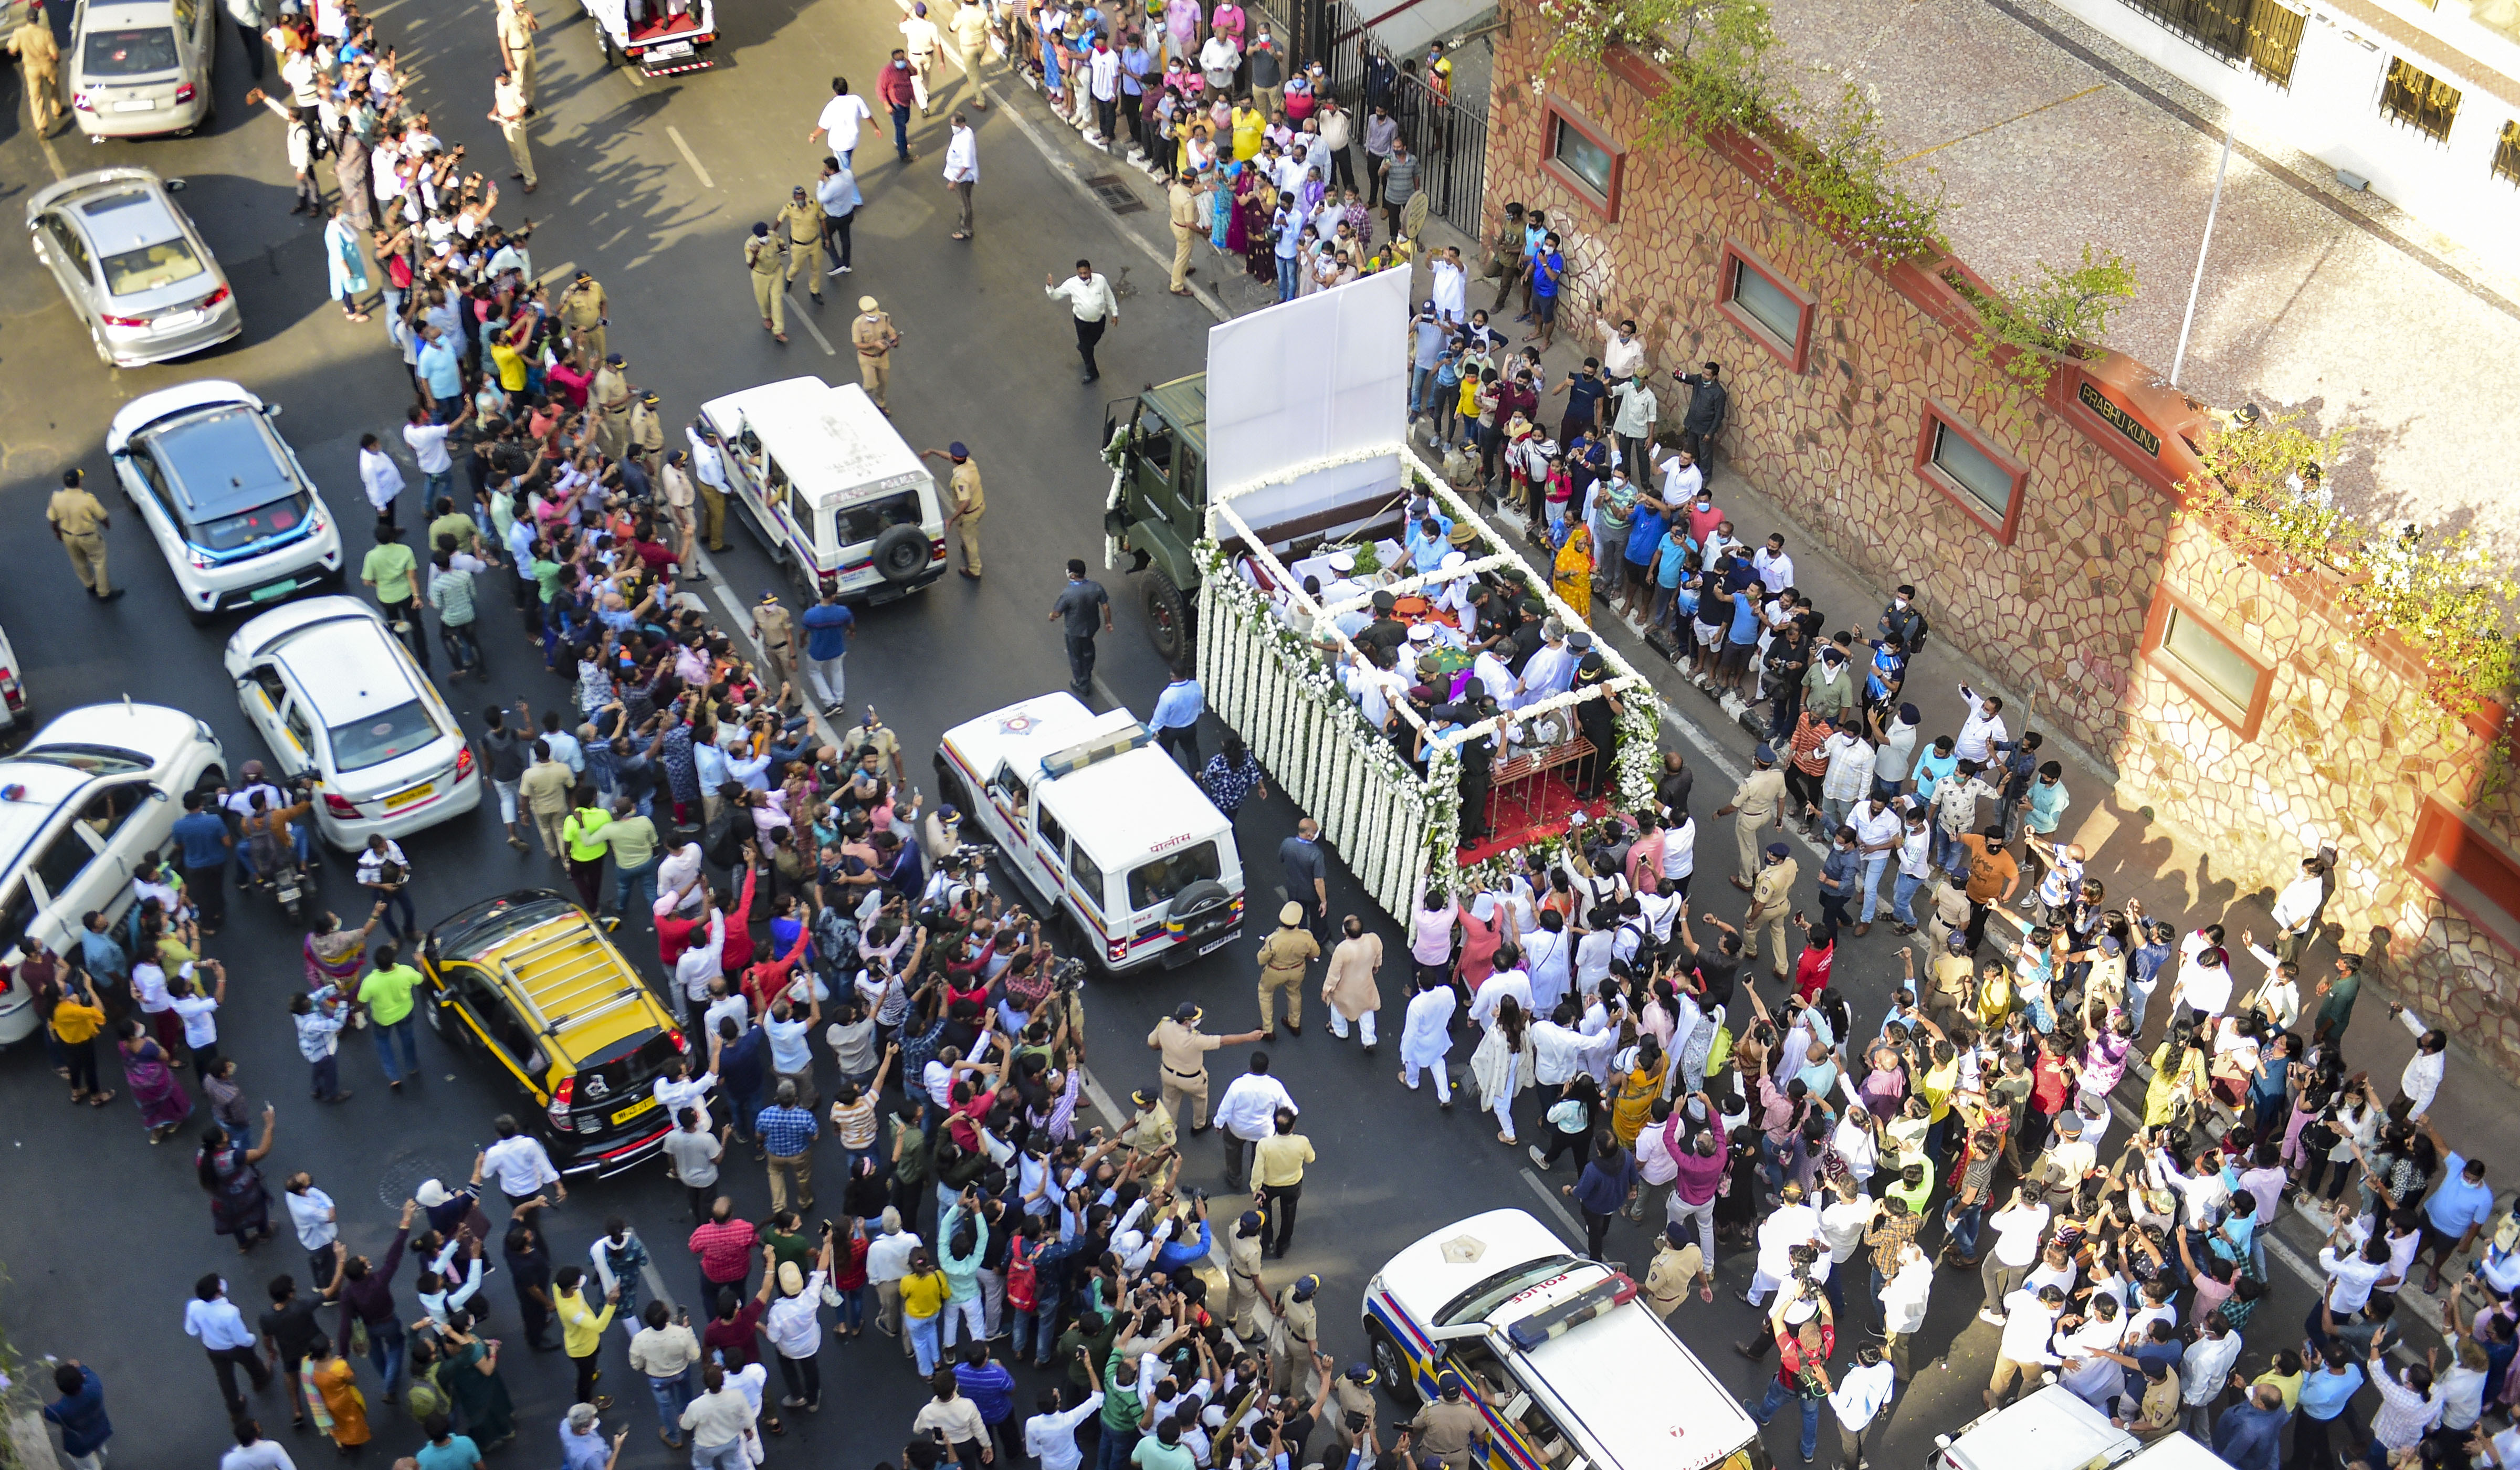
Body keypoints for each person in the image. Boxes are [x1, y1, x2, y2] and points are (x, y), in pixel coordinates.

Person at [47, 469, 119, 601]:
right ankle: (104, 592)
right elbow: (102, 516)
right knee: (99, 561)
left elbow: (52, 519)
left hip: (68, 536)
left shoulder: (56, 497)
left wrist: (57, 532)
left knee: (78, 561)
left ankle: (89, 584)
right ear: (79, 482)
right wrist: (107, 525)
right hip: (88, 536)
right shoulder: (87, 499)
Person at [1045, 260, 1120, 383]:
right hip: (1082, 322)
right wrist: (1050, 287)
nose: (1084, 276)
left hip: (1099, 321)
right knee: (1087, 350)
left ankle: (1084, 347)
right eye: (1081, 273)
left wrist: (1115, 313)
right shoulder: (1071, 283)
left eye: (1086, 273)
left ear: (1091, 270)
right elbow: (1055, 296)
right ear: (1077, 272)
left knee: (1093, 340)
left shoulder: (1100, 280)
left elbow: (1109, 296)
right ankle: (1092, 372)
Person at [1048, 560, 1112, 696]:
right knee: (1089, 650)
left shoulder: (1068, 593)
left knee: (1075, 656)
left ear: (1072, 575)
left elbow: (1057, 613)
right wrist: (1108, 622)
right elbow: (1105, 606)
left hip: (1074, 631)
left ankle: (1082, 683)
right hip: (1092, 627)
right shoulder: (1096, 587)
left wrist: (1052, 616)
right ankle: (1088, 672)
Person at [43, 1361, 110, 1470]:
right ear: (82, 1378)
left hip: (80, 1446)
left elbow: (46, 1412)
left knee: (88, 1466)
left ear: (61, 1389)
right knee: (102, 1450)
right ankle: (102, 1463)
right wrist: (75, 1366)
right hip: (101, 1430)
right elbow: (82, 1368)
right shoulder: (95, 1387)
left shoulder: (59, 1410)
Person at [852, 296, 902, 411]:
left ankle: (880, 404)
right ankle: (860, 400)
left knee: (883, 383)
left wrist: (894, 339)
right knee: (870, 384)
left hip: (883, 356)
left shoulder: (884, 317)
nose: (874, 315)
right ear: (863, 312)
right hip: (867, 358)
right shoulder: (858, 324)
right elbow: (858, 345)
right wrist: (874, 344)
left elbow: (891, 332)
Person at [743, 223, 789, 343]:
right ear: (757, 236)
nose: (765, 238)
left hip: (776, 271)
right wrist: (755, 255)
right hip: (760, 275)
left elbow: (781, 244)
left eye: (765, 234)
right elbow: (751, 266)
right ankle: (767, 316)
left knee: (777, 300)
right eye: (762, 236)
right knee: (763, 300)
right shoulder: (750, 245)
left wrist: (783, 248)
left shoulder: (773, 235)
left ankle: (779, 331)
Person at [944, 112, 980, 238]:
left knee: (966, 203)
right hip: (959, 175)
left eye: (954, 125)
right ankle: (965, 216)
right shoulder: (963, 132)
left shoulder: (966, 141)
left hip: (963, 178)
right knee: (964, 199)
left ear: (961, 124)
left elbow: (966, 165)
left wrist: (954, 180)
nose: (952, 127)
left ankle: (967, 229)